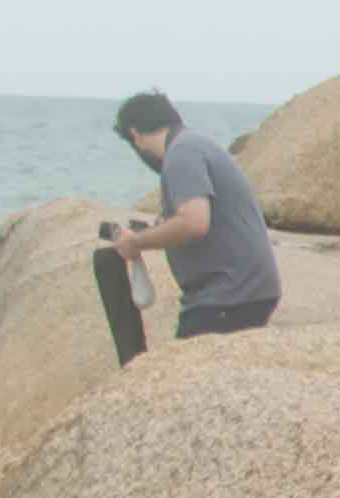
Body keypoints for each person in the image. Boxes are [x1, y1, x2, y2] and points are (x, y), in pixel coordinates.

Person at [96, 90, 279, 353]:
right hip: (246, 288)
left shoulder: (181, 153)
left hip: (227, 295)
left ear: (135, 135)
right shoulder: (195, 144)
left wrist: (136, 242)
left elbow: (194, 222)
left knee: (187, 379)